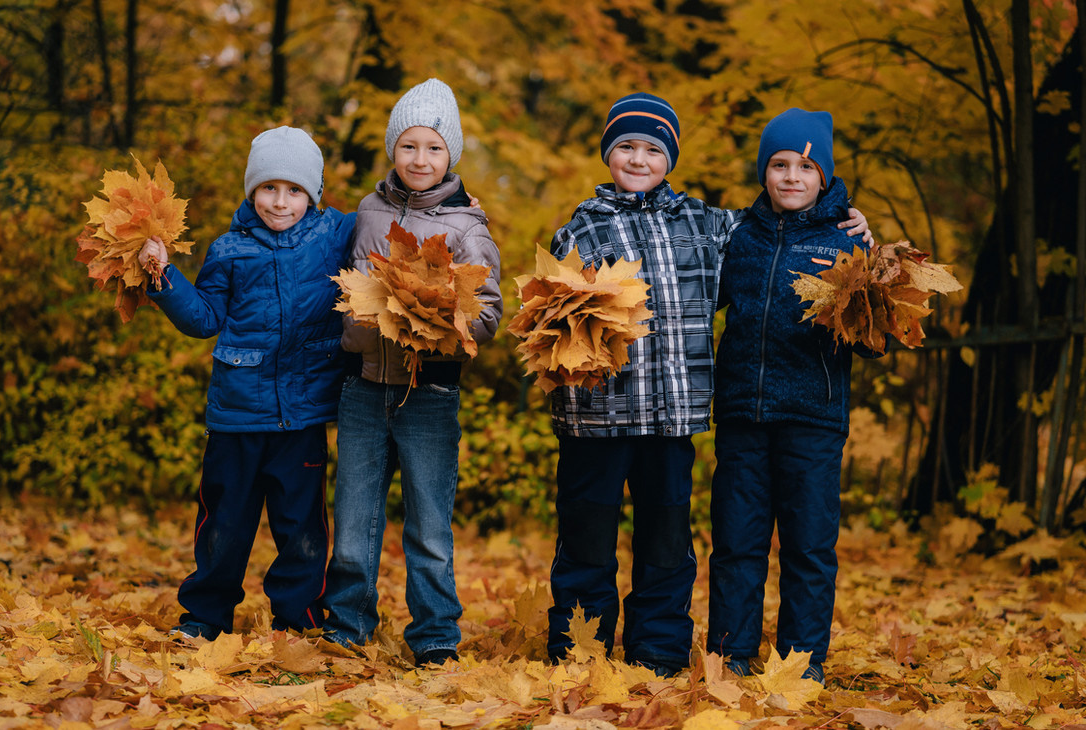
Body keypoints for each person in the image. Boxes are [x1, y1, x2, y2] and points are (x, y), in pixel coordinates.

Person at [544, 94, 871, 678]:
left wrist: (855, 226)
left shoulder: (707, 225)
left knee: (667, 545)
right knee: (589, 540)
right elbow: (549, 321)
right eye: (626, 147)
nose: (638, 159)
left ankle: (660, 652)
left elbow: (787, 231)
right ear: (607, 154)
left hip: (674, 417)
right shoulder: (580, 228)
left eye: (652, 149)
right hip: (600, 414)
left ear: (670, 159)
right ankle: (580, 650)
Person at [138, 126, 358, 641]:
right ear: (252, 189)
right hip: (237, 414)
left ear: (313, 193)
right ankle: (205, 616)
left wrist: (454, 207)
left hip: (302, 416)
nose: (280, 202)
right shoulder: (229, 249)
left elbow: (392, 215)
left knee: (301, 527)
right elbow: (205, 318)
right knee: (224, 524)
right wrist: (164, 276)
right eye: (268, 188)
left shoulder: (335, 235)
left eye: (294, 190)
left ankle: (298, 620)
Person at [321, 78, 503, 667]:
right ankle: (348, 623)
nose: (420, 159)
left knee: (428, 521)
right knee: (354, 517)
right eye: (408, 146)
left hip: (430, 391)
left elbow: (489, 314)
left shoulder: (467, 228)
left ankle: (435, 634)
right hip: (363, 387)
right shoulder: (367, 213)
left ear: (451, 155)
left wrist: (441, 319)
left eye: (433, 148)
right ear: (392, 149)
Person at [707, 107, 881, 684]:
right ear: (764, 171)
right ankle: (730, 655)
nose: (791, 177)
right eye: (779, 164)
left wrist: (871, 287)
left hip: (813, 417)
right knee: (737, 542)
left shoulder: (847, 241)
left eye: (806, 167)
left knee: (808, 547)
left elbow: (875, 341)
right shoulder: (739, 237)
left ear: (823, 177)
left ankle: (801, 662)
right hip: (743, 413)